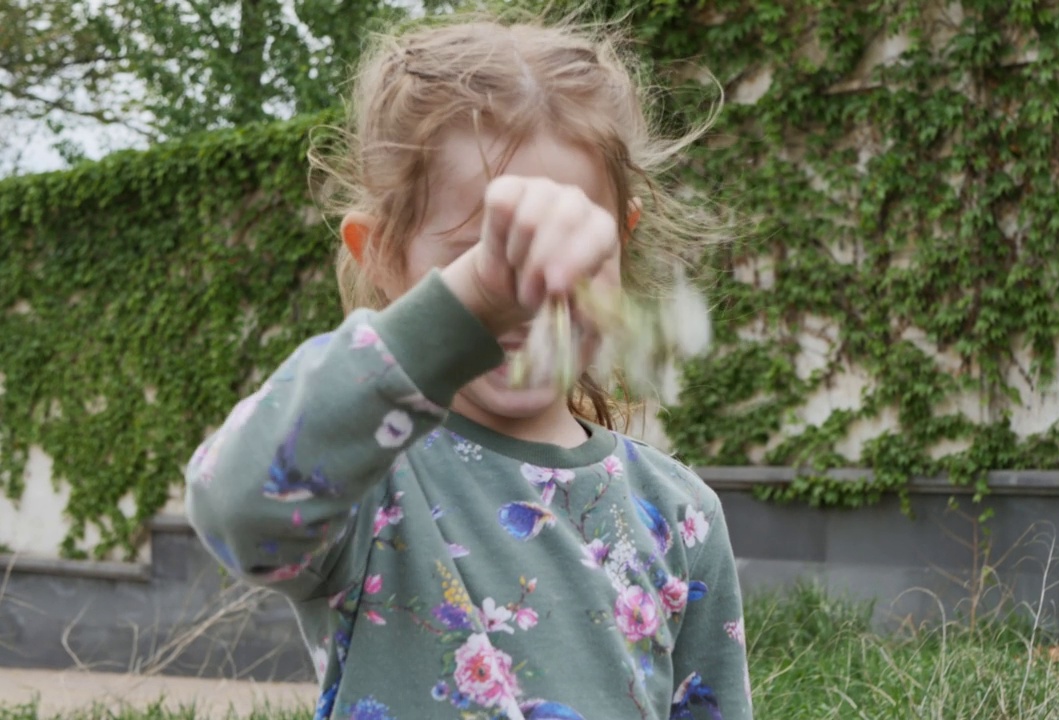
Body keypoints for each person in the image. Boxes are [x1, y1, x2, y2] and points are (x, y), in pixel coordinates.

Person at [184, 12, 752, 720]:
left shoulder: (680, 515)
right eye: (479, 261)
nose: (525, 299)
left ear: (620, 243)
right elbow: (235, 507)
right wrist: (467, 307)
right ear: (383, 257)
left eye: (561, 257)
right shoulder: (371, 475)